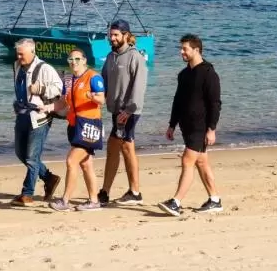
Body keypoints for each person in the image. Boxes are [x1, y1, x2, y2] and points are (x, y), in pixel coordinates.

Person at [158, 34, 223, 216]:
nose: (181, 52)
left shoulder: (209, 73)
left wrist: (212, 129)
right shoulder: (184, 74)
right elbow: (177, 101)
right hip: (187, 126)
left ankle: (176, 202)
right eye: (181, 48)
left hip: (201, 127)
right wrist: (172, 125)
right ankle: (215, 200)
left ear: (196, 50)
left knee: (187, 160)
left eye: (185, 48)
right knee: (202, 162)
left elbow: (215, 103)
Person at [44, 50, 106, 211]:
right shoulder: (69, 79)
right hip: (73, 124)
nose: (74, 62)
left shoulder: (93, 76)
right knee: (86, 164)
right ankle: (94, 201)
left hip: (89, 124)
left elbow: (102, 99)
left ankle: (65, 201)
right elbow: (63, 103)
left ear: (84, 60)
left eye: (77, 59)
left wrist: (92, 96)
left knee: (72, 161)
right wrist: (47, 108)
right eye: (71, 59)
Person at [97, 19, 147, 206]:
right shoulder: (111, 57)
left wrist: (128, 110)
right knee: (120, 148)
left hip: (129, 112)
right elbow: (102, 82)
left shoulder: (135, 57)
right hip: (116, 111)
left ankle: (120, 192)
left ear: (126, 35)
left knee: (120, 147)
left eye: (116, 35)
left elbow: (139, 87)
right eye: (111, 35)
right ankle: (120, 191)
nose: (113, 38)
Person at [11, 39, 63, 206]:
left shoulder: (45, 68)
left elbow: (59, 88)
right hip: (22, 116)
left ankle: (27, 194)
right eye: (17, 53)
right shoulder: (17, 65)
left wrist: (40, 88)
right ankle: (49, 178)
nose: (19, 57)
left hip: (39, 118)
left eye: (22, 54)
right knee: (21, 153)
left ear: (32, 52)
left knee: (32, 158)